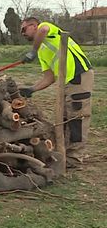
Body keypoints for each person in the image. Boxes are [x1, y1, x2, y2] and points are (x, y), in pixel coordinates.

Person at [19, 17, 93, 169]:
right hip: (65, 82)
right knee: (65, 117)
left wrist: (32, 51)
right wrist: (32, 89)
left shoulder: (47, 29)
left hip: (78, 76)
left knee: (77, 117)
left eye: (24, 29)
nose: (22, 33)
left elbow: (43, 30)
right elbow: (49, 77)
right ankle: (64, 154)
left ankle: (74, 158)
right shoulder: (42, 51)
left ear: (34, 25)